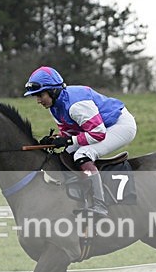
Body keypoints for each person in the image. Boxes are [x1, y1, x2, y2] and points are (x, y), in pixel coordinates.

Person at [23, 66, 137, 216]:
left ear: (53, 91)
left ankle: (99, 203)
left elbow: (98, 134)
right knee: (67, 153)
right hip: (99, 128)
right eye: (35, 96)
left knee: (83, 154)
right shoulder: (55, 106)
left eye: (40, 95)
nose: (38, 100)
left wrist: (68, 140)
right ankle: (75, 194)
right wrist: (56, 139)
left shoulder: (76, 105)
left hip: (119, 125)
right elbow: (69, 133)